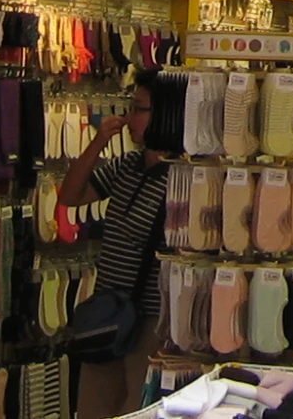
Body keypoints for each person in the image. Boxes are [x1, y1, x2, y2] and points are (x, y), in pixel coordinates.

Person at [61, 82, 174, 419]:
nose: (129, 117)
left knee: (136, 408)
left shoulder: (182, 177)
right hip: (108, 310)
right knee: (93, 407)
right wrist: (98, 142)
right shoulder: (127, 165)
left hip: (151, 317)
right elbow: (70, 196)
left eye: (139, 109)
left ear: (163, 116)